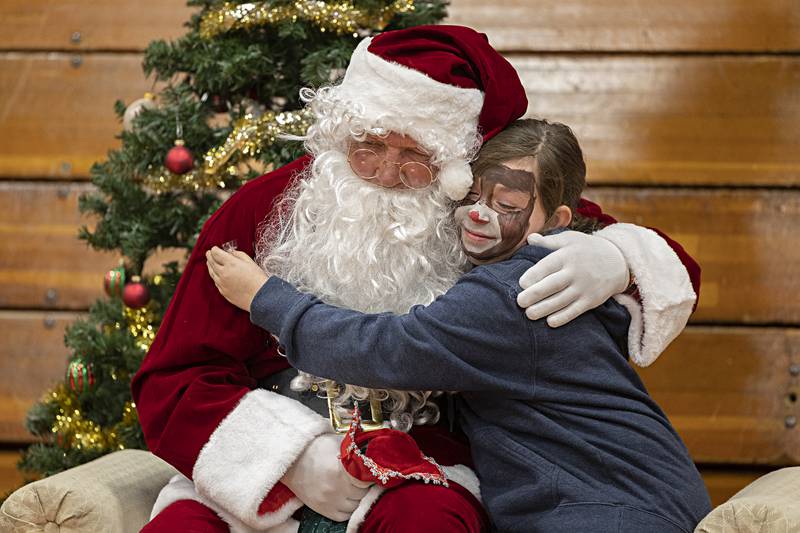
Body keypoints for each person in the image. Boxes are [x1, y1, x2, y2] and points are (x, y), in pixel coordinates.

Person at [134, 25, 700, 532]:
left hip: (421, 454)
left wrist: (616, 258)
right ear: (341, 131)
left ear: (457, 162)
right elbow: (176, 375)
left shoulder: (481, 215)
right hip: (265, 448)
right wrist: (290, 459)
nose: (385, 171)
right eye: (369, 144)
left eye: (415, 155)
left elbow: (664, 264)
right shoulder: (263, 208)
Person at [207, 118, 712, 532]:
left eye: (508, 207)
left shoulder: (511, 291)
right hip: (615, 496)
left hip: (609, 506)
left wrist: (268, 299)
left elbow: (389, 350)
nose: (479, 216)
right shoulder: (543, 263)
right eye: (470, 194)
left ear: (557, 221)